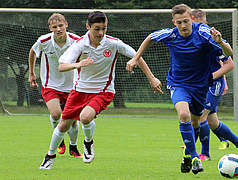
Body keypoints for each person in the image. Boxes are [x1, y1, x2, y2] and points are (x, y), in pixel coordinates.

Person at [127, 4, 238, 175]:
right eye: (179, 22)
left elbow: (230, 54)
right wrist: (135, 58)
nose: (183, 25)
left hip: (201, 86)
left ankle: (187, 155)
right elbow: (150, 37)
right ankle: (197, 157)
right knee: (183, 114)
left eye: (186, 21)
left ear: (192, 19)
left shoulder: (204, 33)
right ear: (174, 22)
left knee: (197, 121)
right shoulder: (171, 34)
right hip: (178, 84)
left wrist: (219, 42)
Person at [39, 11, 162, 170]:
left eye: (104, 28)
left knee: (84, 117)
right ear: (88, 27)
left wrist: (152, 78)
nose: (101, 33)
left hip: (103, 91)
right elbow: (62, 66)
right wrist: (78, 65)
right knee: (63, 125)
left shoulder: (113, 43)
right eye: (97, 29)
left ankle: (88, 143)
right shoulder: (80, 45)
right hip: (79, 91)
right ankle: (50, 155)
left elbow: (136, 55)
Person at [191, 9, 238, 162]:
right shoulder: (190, 41)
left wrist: (213, 77)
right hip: (201, 85)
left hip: (213, 84)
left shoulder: (211, 39)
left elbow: (229, 63)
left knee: (201, 116)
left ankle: (204, 154)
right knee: (213, 123)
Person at [28, 13, 82, 158]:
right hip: (50, 83)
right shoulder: (44, 41)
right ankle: (60, 142)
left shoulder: (77, 41)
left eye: (60, 25)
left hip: (72, 86)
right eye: (55, 27)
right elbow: (33, 51)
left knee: (73, 122)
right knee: (56, 114)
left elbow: (85, 56)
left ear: (66, 25)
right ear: (50, 28)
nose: (58, 29)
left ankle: (73, 147)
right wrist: (32, 73)